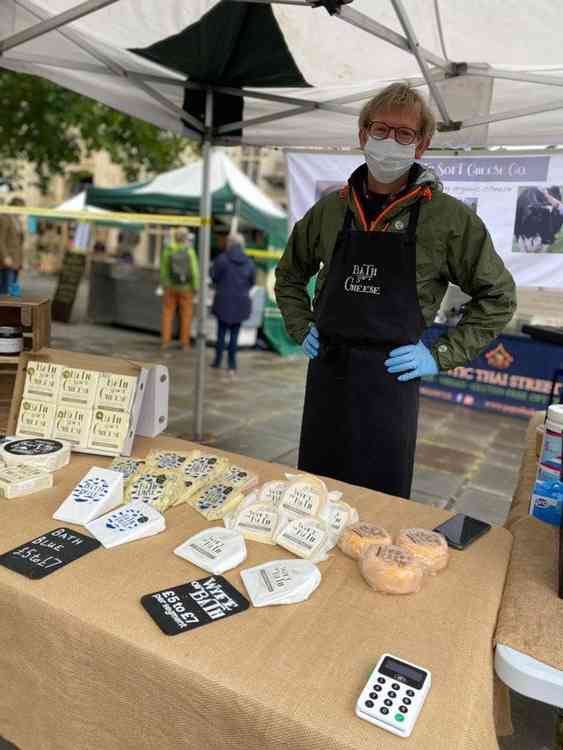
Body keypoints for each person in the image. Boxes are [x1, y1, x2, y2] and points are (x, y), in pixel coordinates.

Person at [275, 82, 516, 499]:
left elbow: (498, 298)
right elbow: (289, 274)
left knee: (378, 504)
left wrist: (440, 354)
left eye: (404, 133)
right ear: (363, 135)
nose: (390, 141)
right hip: (328, 375)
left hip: (392, 378)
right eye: (380, 129)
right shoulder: (331, 210)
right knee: (314, 494)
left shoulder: (448, 219)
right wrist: (300, 324)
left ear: (420, 145)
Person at [210, 232, 256, 377]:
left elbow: (213, 276)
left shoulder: (222, 259)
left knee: (221, 333)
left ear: (229, 243)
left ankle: (217, 361)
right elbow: (252, 281)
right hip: (241, 302)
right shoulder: (249, 262)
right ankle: (232, 364)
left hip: (223, 300)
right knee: (235, 335)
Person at [159, 227, 199, 351]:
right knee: (186, 315)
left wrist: (164, 284)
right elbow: (194, 270)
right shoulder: (189, 251)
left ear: (175, 237)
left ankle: (165, 342)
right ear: (186, 238)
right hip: (186, 288)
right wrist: (195, 287)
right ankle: (184, 343)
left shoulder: (168, 249)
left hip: (170, 287)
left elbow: (164, 269)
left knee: (167, 314)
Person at [0, 197, 25, 295]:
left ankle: (10, 309)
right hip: (7, 260)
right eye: (21, 208)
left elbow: (19, 241)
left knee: (12, 290)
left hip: (16, 261)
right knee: (5, 290)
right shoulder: (4, 218)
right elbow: (0, 239)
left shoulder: (17, 220)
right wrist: (5, 256)